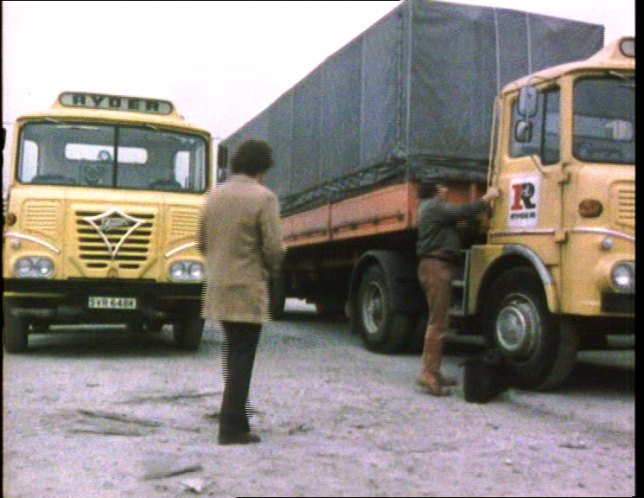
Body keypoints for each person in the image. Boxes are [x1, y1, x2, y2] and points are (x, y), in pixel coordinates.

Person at [198, 139, 286, 445]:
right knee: (242, 354)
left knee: (233, 349)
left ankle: (236, 417)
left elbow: (201, 243)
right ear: (261, 168)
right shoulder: (264, 197)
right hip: (247, 286)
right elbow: (274, 248)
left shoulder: (213, 197)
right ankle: (232, 427)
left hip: (218, 286)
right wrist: (270, 272)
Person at [416, 181, 500, 396]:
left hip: (437, 265)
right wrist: (487, 197)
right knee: (438, 323)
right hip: (436, 266)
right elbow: (462, 211)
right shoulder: (433, 206)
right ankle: (428, 374)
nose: (446, 190)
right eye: (442, 187)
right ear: (435, 191)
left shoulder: (433, 211)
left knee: (440, 321)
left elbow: (460, 222)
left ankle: (434, 372)